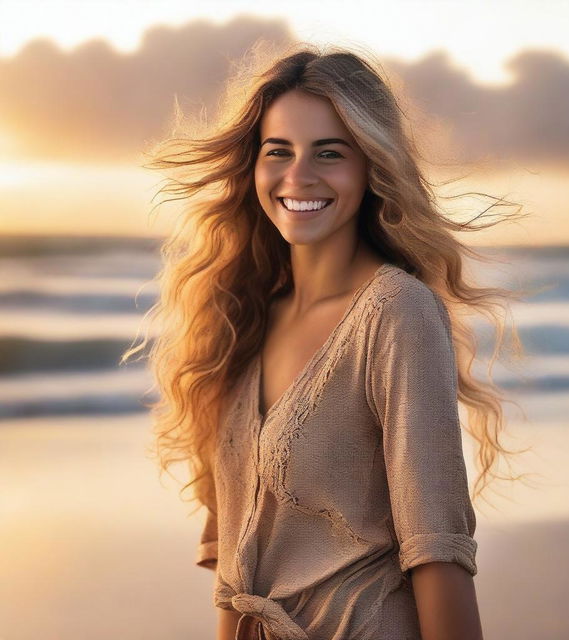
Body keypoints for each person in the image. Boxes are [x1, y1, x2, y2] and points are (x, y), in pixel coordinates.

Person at [124, 41, 531, 640]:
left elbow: (436, 546)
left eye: (329, 153)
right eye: (278, 151)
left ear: (371, 166)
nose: (299, 176)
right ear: (253, 167)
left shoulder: (396, 312)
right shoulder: (239, 322)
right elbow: (234, 579)